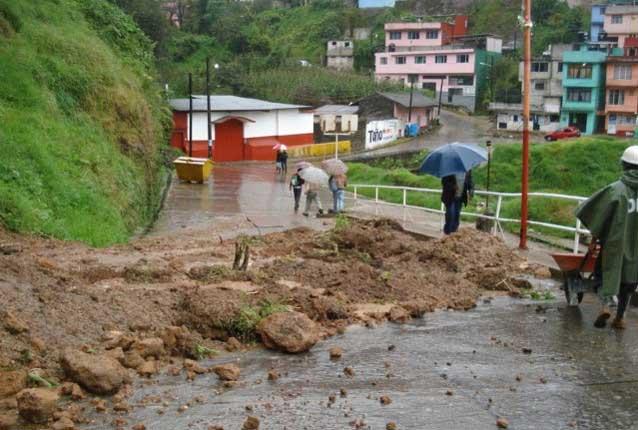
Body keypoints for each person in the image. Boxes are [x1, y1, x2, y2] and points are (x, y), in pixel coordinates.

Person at [576, 145, 638, 329]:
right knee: (630, 281)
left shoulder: (615, 190)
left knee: (604, 274)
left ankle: (606, 305)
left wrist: (594, 238)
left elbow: (597, 216)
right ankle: (620, 318)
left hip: (614, 245)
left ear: (624, 165)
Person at [441, 170, 473, 235]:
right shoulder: (450, 169)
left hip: (460, 197)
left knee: (457, 215)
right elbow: (444, 182)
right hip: (450, 197)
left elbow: (470, 182)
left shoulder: (467, 169)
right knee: (450, 214)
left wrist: (471, 190)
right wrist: (453, 187)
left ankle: (454, 233)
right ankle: (447, 233)